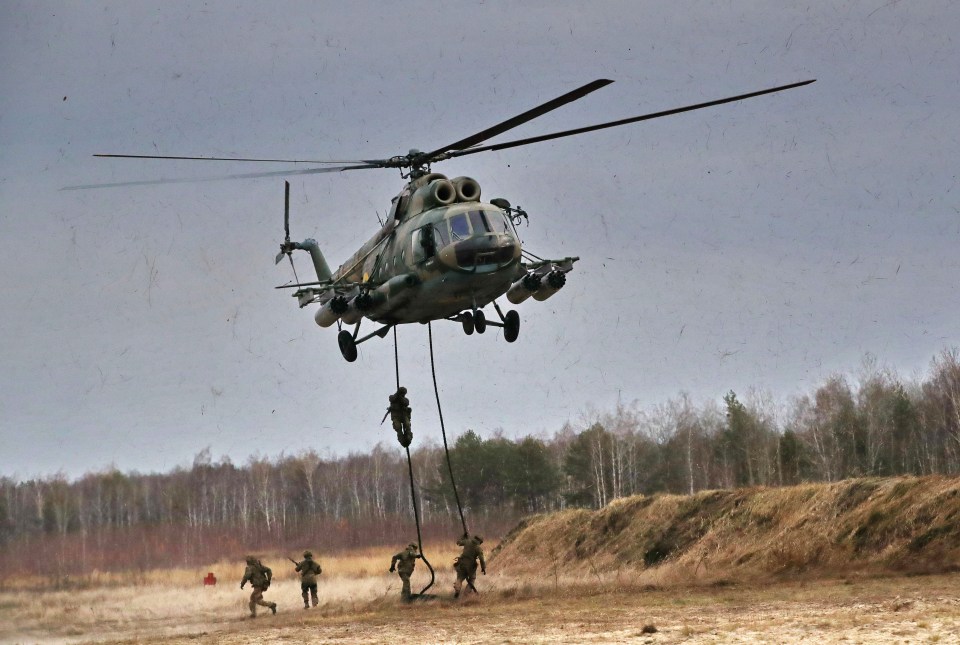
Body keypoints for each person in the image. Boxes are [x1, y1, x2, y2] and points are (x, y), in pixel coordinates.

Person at [453, 533, 486, 598]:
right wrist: (483, 568)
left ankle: (457, 589)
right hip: (471, 567)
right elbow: (481, 559)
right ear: (480, 541)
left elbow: (458, 542)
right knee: (472, 579)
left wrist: (463, 536)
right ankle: (466, 594)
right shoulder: (478, 548)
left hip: (462, 564)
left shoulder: (467, 541)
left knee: (460, 578)